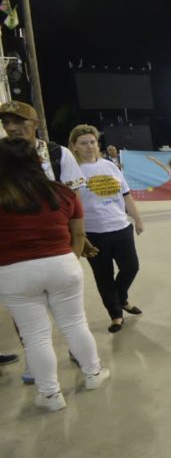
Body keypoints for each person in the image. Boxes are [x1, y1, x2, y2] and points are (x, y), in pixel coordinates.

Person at [0, 137, 111, 412]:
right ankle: (93, 374)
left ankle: (50, 395)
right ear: (38, 161)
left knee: (35, 336)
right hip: (62, 263)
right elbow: (79, 234)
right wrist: (68, 260)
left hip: (14, 271)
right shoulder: (61, 193)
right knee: (75, 324)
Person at [1, 100, 91, 382]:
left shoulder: (57, 153)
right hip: (17, 251)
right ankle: (34, 361)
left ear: (35, 124)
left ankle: (79, 353)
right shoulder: (3, 155)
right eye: (6, 122)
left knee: (70, 312)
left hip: (59, 245)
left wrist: (78, 242)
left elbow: (74, 198)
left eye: (19, 121)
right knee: (27, 319)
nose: (12, 127)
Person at [69, 125, 144, 333]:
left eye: (92, 142)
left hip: (120, 227)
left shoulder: (110, 166)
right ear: (74, 146)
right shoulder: (72, 171)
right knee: (104, 275)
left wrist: (137, 219)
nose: (90, 146)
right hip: (93, 233)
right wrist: (78, 235)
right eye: (83, 143)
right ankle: (116, 315)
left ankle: (121, 298)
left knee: (131, 267)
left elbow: (126, 194)